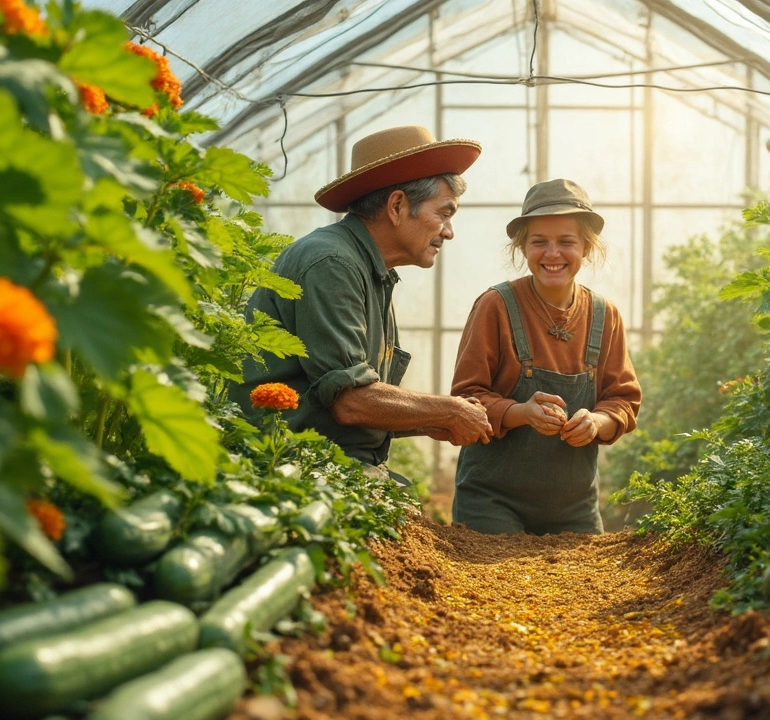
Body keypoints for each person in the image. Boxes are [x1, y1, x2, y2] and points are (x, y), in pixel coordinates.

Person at [232, 125, 493, 483]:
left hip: (330, 460)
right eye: (444, 214)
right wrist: (448, 411)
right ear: (398, 206)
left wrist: (433, 419)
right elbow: (350, 402)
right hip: (290, 464)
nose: (448, 231)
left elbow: (344, 400)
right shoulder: (331, 263)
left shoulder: (370, 270)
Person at [449, 179, 641, 534]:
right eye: (539, 242)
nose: (552, 254)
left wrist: (596, 423)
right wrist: (522, 413)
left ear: (586, 248)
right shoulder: (496, 306)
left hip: (574, 508)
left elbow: (623, 401)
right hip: (491, 501)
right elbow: (466, 399)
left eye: (566, 242)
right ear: (523, 247)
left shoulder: (605, 316)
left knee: (584, 588)